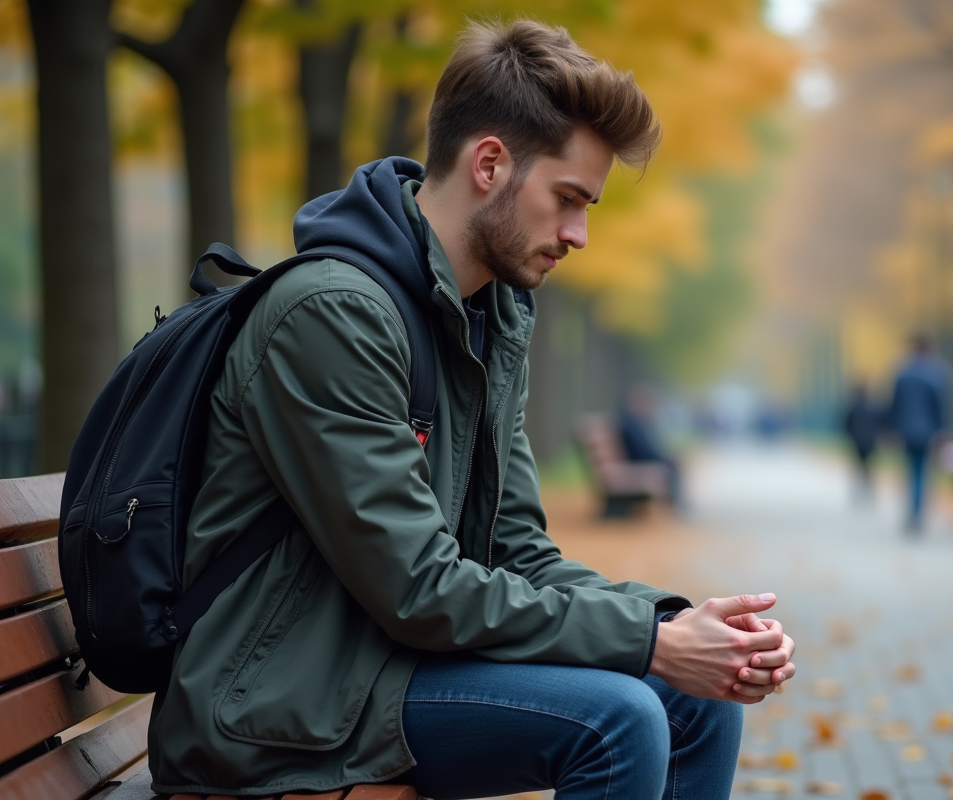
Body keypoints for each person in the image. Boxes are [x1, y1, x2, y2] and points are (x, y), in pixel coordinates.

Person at [147, 20, 795, 800]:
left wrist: (685, 627)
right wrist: (651, 645)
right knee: (620, 716)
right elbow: (419, 589)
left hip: (381, 671)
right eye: (568, 200)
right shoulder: (329, 316)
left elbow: (516, 551)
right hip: (270, 709)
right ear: (490, 163)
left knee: (696, 703)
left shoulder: (488, 317)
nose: (579, 235)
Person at [887, 335, 950, 532]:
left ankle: (913, 512)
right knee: (922, 471)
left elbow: (894, 405)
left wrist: (893, 429)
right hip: (928, 430)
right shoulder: (936, 373)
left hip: (906, 430)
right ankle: (917, 512)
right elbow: (941, 405)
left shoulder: (902, 373)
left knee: (911, 470)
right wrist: (942, 430)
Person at [619, 384, 683, 507]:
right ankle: (675, 503)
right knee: (672, 464)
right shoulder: (632, 424)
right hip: (637, 462)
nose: (651, 408)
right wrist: (661, 457)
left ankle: (675, 501)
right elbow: (643, 450)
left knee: (673, 463)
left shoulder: (636, 422)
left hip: (639, 460)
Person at [842, 381, 880, 502]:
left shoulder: (853, 408)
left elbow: (847, 425)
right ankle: (869, 493)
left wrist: (851, 436)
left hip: (857, 442)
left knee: (858, 467)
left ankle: (857, 493)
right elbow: (877, 424)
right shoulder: (871, 407)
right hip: (869, 442)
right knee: (868, 468)